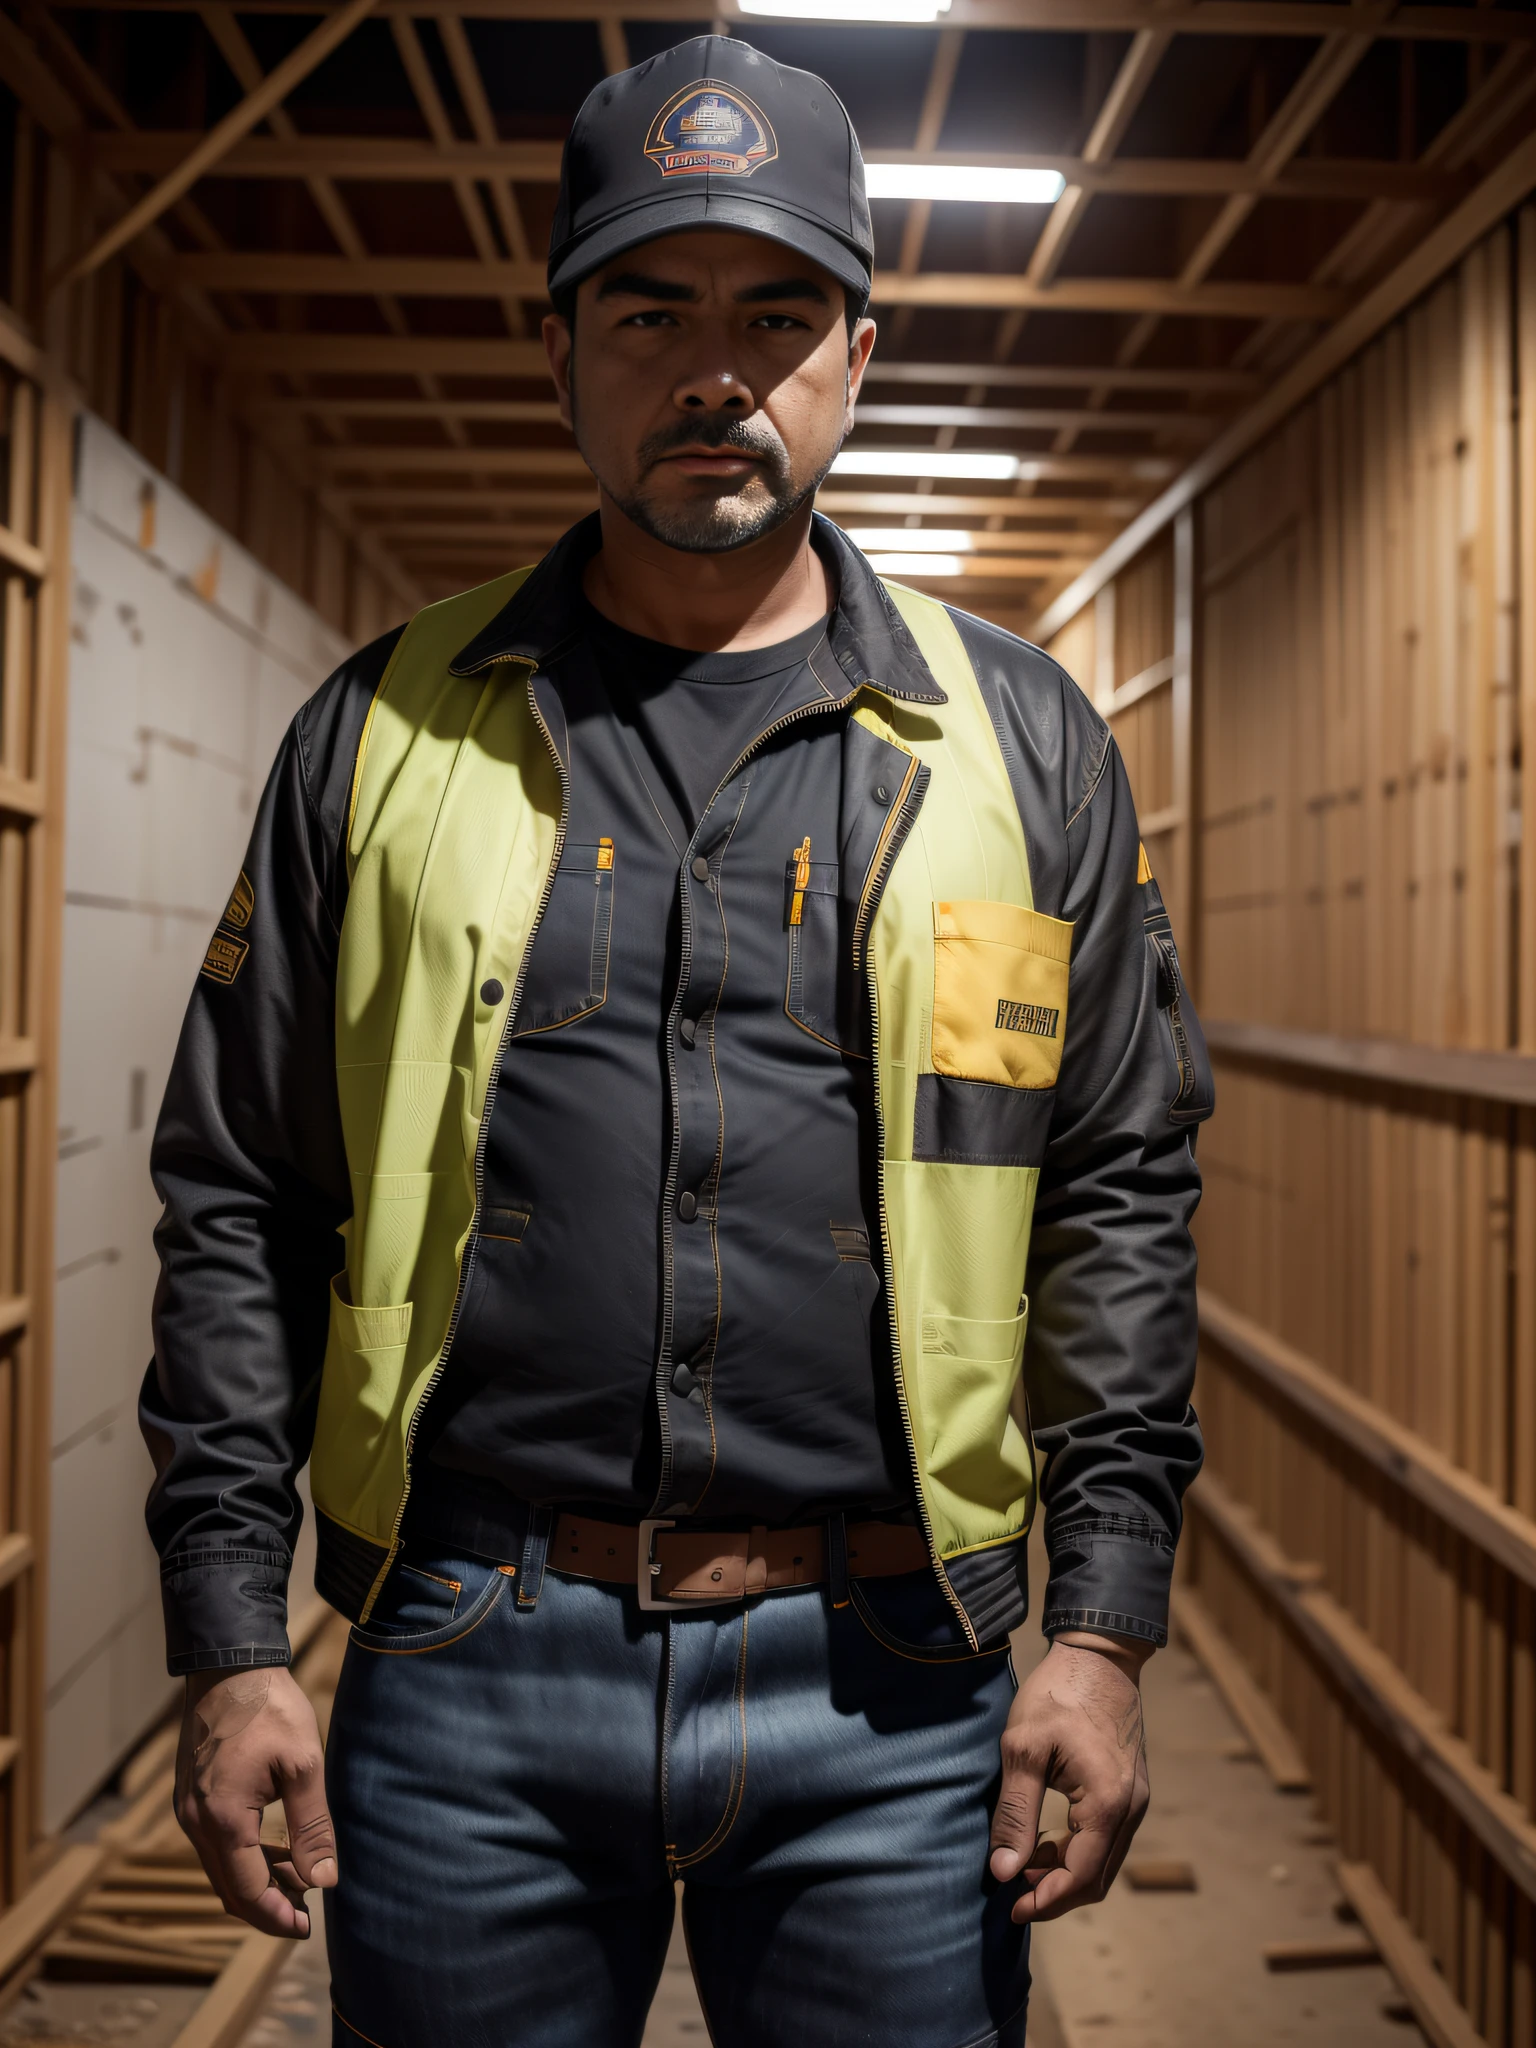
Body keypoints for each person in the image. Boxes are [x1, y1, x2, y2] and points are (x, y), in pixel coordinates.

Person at [142, 35, 1213, 2048]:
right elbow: (240, 1196)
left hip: (897, 1682)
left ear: (859, 355)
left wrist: (1103, 1625)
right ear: (556, 350)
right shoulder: (382, 732)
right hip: (468, 1663)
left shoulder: (1022, 745)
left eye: (776, 313)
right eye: (649, 310)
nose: (714, 369)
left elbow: (1120, 1188)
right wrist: (229, 1633)